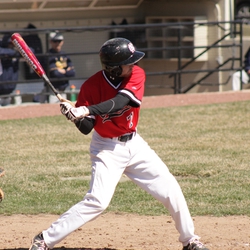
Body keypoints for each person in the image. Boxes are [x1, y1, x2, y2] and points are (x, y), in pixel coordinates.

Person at [29, 38, 209, 250]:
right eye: (128, 62)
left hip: (135, 145)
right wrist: (74, 116)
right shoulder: (91, 86)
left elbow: (121, 101)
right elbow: (87, 127)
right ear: (113, 69)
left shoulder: (137, 74)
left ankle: (190, 241)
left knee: (170, 189)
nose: (133, 64)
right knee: (97, 202)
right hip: (106, 149)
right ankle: (44, 239)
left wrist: (85, 110)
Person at [39, 31, 75, 103]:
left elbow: (72, 73)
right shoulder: (48, 55)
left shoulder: (65, 54)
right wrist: (66, 71)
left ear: (62, 42)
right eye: (55, 41)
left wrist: (62, 71)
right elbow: (55, 73)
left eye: (59, 41)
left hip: (63, 89)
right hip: (52, 90)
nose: (57, 43)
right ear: (51, 42)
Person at [0, 33, 19, 106]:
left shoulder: (16, 52)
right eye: (10, 43)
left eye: (13, 43)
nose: (12, 45)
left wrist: (16, 52)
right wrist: (13, 52)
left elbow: (31, 51)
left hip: (10, 91)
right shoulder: (3, 50)